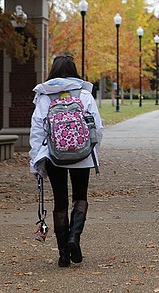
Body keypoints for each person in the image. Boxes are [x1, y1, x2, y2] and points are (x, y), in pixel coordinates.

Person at [29, 55, 104, 267]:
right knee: (80, 196)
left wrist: (35, 160)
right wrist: (93, 150)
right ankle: (74, 238)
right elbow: (96, 127)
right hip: (82, 155)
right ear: (74, 70)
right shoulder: (83, 94)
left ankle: (63, 253)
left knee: (60, 200)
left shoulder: (44, 96)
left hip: (54, 155)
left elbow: (36, 130)